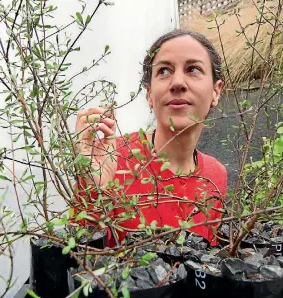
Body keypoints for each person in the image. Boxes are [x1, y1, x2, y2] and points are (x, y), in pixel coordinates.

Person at [73, 29, 227, 247]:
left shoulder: (216, 175)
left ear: (216, 91)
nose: (178, 83)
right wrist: (94, 192)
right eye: (164, 70)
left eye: (193, 69)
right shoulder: (110, 159)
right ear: (149, 95)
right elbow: (78, 263)